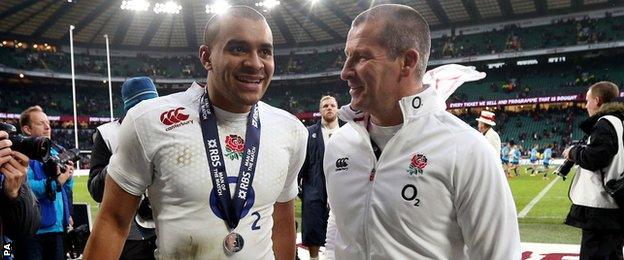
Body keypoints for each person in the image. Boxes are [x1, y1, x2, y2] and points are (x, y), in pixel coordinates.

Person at [83, 6, 307, 260]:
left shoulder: (290, 130)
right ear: (206, 57)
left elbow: (282, 221)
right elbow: (113, 221)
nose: (255, 63)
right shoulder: (149, 121)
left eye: (265, 51)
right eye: (238, 48)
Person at [324, 4, 520, 259]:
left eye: (361, 57)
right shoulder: (340, 144)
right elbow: (337, 232)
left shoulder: (467, 149)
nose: (345, 72)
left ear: (407, 62)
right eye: (347, 56)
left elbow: (498, 255)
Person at [87, 77, 158, 259]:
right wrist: (122, 154)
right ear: (130, 110)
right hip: (128, 235)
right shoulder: (108, 134)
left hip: (165, 230)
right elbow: (95, 189)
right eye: (142, 107)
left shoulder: (166, 131)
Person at [563, 81, 624, 259]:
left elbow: (595, 158)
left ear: (597, 101)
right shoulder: (619, 121)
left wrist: (573, 152)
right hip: (613, 204)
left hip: (601, 206)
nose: (586, 104)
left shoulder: (605, 123)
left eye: (588, 100)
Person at [16, 106, 75, 260]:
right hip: (33, 232)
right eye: (41, 123)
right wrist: (57, 182)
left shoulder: (57, 151)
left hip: (57, 230)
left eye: (48, 122)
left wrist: (68, 177)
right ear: (27, 129)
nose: (48, 126)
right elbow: (26, 190)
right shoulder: (21, 154)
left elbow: (66, 190)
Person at [298, 95, 339, 260]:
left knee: (342, 227)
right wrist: (302, 190)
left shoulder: (346, 132)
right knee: (313, 226)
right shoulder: (309, 133)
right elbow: (302, 163)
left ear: (337, 108)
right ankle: (314, 258)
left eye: (332, 105)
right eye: (325, 106)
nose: (329, 108)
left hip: (340, 186)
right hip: (315, 187)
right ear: (320, 110)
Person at [0, 130, 39, 258]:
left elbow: (26, 230)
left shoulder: (8, 167)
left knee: (7, 252)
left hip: (6, 240)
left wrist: (14, 194)